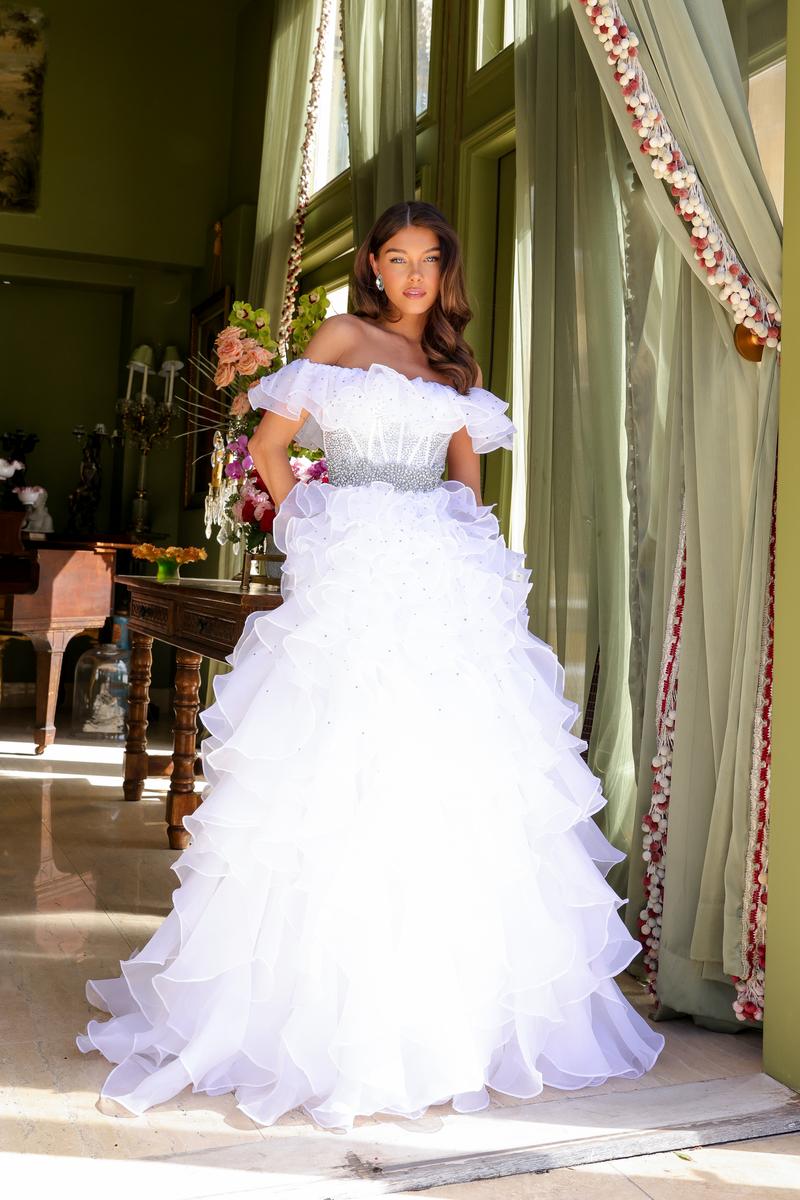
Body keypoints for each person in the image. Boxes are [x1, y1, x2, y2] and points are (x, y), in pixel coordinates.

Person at [77, 200, 664, 1132]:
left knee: (453, 773)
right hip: (350, 561)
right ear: (374, 266)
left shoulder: (457, 363)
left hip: (441, 576)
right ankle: (313, 1017)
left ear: (446, 269)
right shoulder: (343, 337)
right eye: (398, 258)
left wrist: (465, 546)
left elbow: (467, 475)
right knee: (340, 759)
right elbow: (269, 447)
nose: (415, 275)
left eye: (430, 259)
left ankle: (456, 1023)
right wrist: (310, 524)